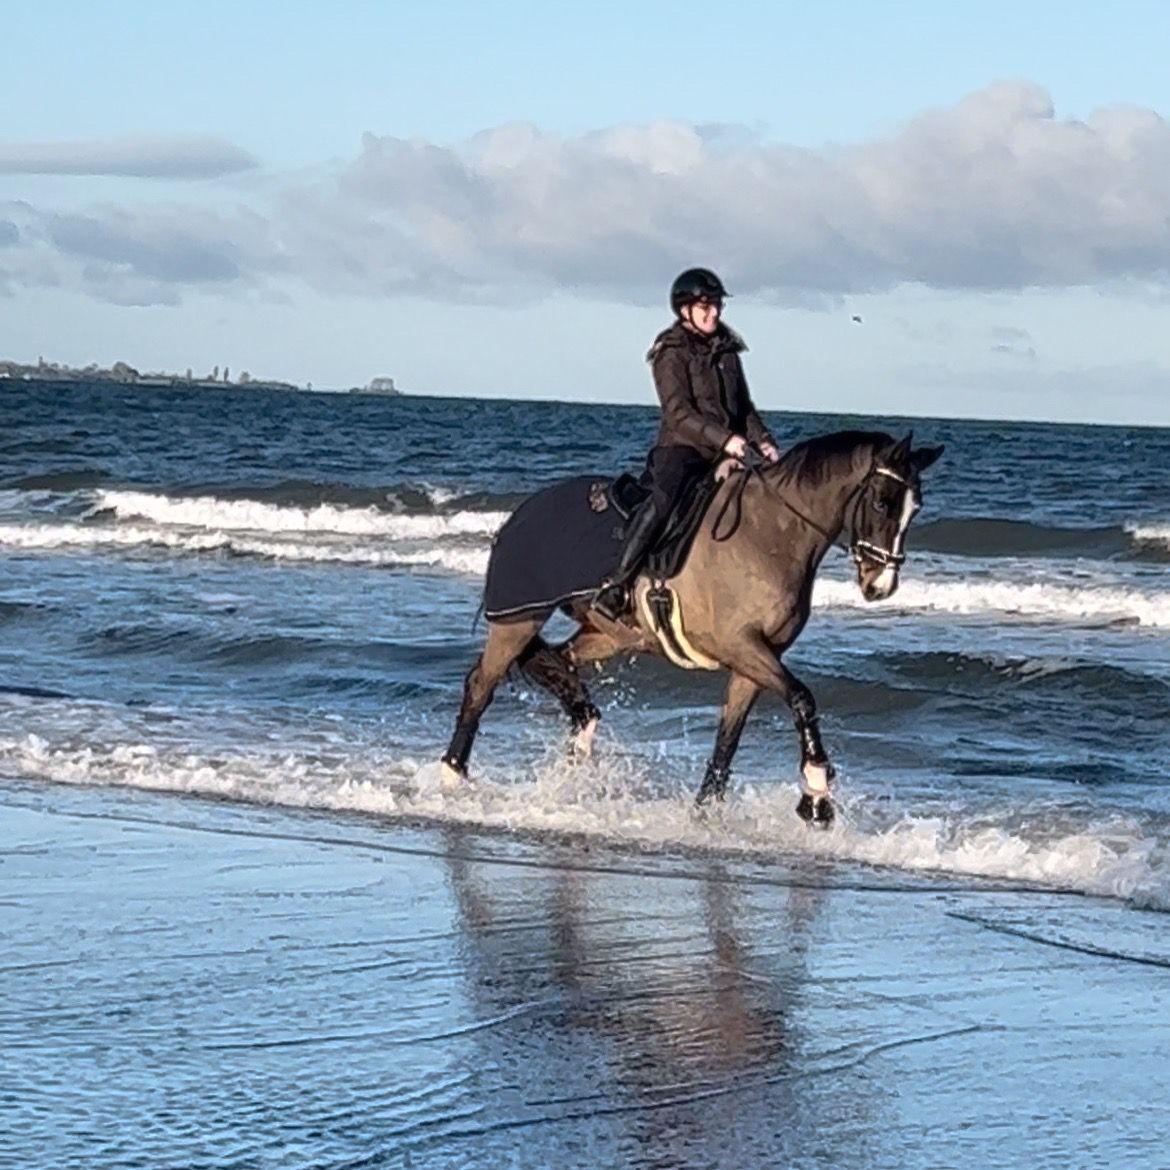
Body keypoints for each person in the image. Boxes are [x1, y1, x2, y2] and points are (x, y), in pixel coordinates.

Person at [592, 267, 781, 621]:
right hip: (681, 448)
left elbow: (744, 408)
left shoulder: (728, 352)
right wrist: (725, 439)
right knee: (663, 503)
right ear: (685, 310)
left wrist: (764, 441)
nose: (714, 313)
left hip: (725, 450)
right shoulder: (671, 352)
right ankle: (617, 585)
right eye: (705, 306)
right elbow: (677, 412)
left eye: (717, 306)